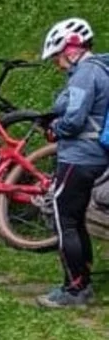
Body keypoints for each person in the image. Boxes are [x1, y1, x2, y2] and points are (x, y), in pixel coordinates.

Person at [36, 18, 109, 309]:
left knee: (63, 218)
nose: (57, 62)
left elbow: (75, 119)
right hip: (96, 156)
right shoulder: (102, 69)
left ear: (72, 49)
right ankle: (83, 278)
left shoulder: (84, 75)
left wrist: (56, 129)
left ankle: (75, 288)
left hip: (78, 157)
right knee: (75, 218)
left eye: (57, 55)